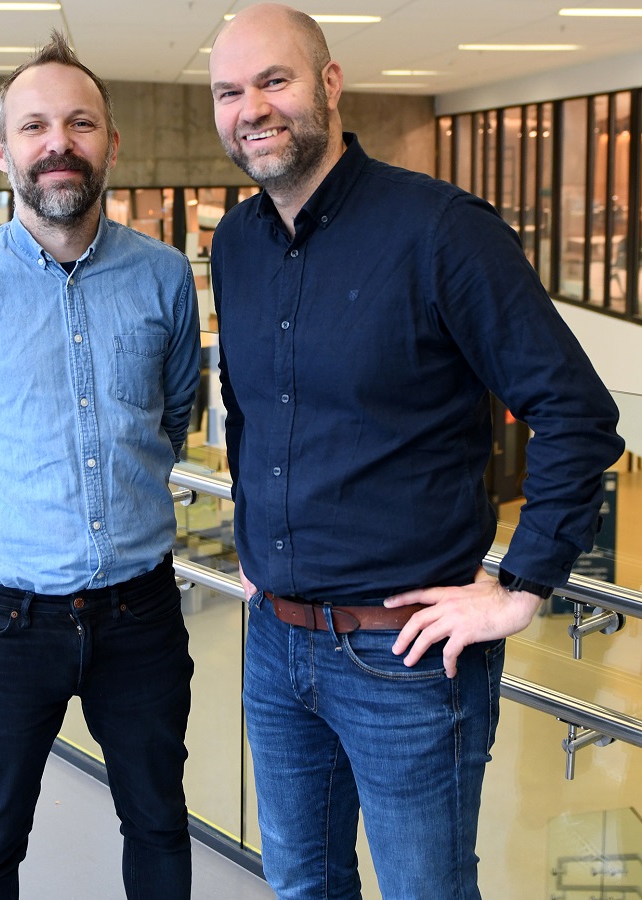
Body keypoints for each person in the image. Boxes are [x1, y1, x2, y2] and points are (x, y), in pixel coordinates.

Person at [207, 5, 624, 898]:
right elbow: (253, 409)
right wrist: (259, 540)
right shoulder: (235, 242)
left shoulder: (441, 230)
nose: (252, 108)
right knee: (302, 886)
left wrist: (519, 588)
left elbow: (577, 411)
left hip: (404, 659)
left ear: (328, 83)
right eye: (229, 91)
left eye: (274, 80)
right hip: (274, 646)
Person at [0, 31, 200, 899]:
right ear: (3, 151)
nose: (57, 142)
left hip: (140, 618)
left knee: (157, 824)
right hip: (5, 625)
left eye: (79, 122)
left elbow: (170, 418)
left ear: (111, 142)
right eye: (33, 126)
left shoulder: (166, 277)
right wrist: (9, 532)